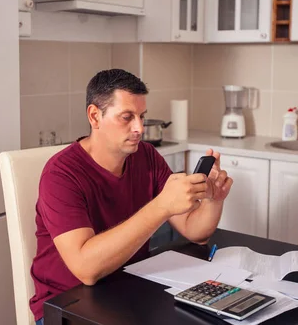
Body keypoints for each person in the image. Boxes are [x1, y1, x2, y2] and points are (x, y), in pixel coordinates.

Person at [30, 69, 234, 325]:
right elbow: (87, 270)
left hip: (129, 292)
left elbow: (196, 231)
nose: (139, 128)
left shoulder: (146, 157)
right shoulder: (61, 174)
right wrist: (161, 206)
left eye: (141, 116)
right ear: (95, 116)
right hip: (67, 308)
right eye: (126, 117)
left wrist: (214, 199)